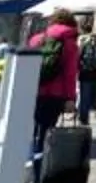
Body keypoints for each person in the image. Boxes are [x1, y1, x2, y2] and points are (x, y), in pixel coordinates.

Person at [27, 11, 81, 157]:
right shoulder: (70, 43)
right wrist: (70, 98)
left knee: (31, 129)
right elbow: (70, 73)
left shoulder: (37, 39)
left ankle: (28, 161)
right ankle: (39, 168)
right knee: (46, 131)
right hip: (55, 94)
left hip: (33, 90)